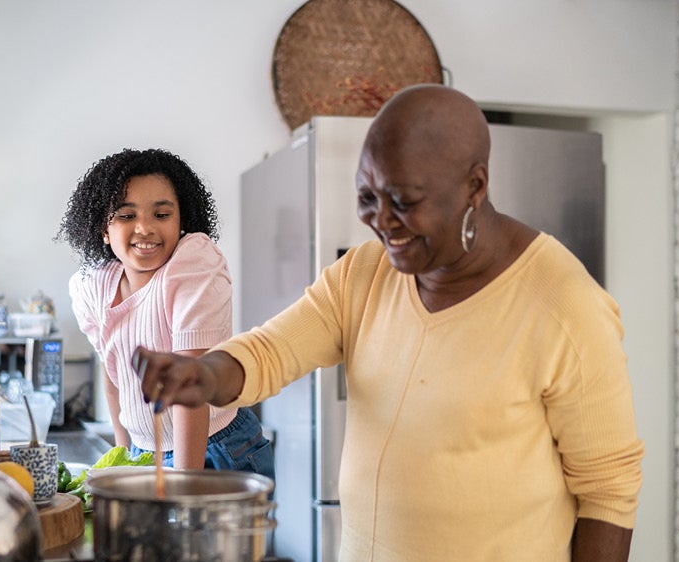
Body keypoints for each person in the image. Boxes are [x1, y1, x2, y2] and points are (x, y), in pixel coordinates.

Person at [132, 85, 644, 561]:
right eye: (367, 197)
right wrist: (203, 375)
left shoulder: (561, 302)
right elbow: (271, 350)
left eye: (404, 202)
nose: (381, 221)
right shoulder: (365, 273)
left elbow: (609, 491)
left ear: (475, 186)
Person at [57, 148, 274, 479]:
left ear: (182, 221)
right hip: (145, 454)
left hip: (217, 450)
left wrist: (184, 487)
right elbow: (113, 375)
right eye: (126, 216)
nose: (144, 228)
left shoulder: (193, 266)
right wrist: (122, 457)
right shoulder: (93, 286)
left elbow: (192, 387)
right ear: (104, 228)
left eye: (161, 215)